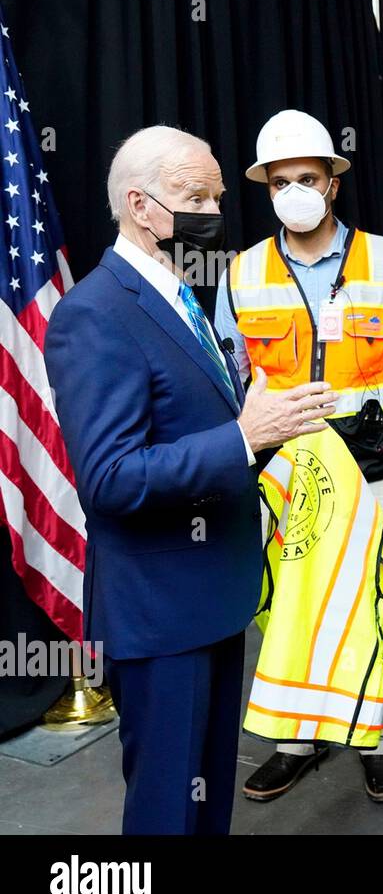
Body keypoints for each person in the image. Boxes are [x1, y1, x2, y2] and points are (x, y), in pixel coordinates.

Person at [43, 126, 337, 834]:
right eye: (193, 195)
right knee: (167, 811)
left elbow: (203, 438)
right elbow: (111, 480)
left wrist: (267, 432)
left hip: (215, 597)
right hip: (160, 613)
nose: (212, 209)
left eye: (217, 195)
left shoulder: (181, 296)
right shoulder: (95, 314)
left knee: (206, 806)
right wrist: (244, 435)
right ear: (141, 207)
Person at [215, 109, 383, 804]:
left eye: (306, 178)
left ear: (334, 183)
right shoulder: (241, 273)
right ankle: (295, 741)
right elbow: (228, 383)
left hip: (370, 472)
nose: (294, 193)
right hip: (283, 478)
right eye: (279, 183)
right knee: (285, 609)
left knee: (375, 609)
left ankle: (380, 741)